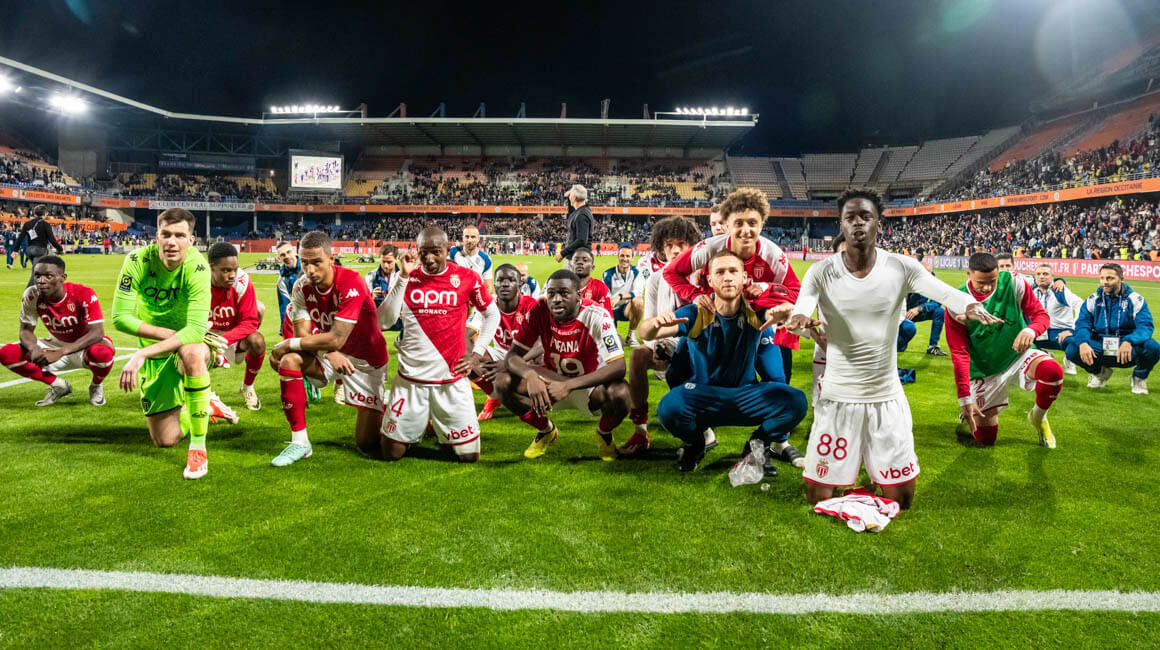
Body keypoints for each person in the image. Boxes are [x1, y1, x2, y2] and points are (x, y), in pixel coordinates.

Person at [779, 189, 999, 510]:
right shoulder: (821, 271)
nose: (858, 223)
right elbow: (803, 306)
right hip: (838, 398)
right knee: (817, 497)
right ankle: (856, 476)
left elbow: (943, 292)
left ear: (878, 223)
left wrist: (969, 304)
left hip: (886, 398)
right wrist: (799, 317)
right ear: (841, 224)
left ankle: (870, 474)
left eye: (865, 216)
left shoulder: (900, 267)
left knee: (903, 499)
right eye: (850, 217)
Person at [642, 250, 808, 472]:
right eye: (720, 272)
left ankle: (757, 444)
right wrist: (654, 324)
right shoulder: (697, 312)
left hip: (746, 396)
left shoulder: (755, 310)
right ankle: (696, 443)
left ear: (744, 277)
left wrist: (783, 315)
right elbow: (645, 332)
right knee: (669, 407)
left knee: (796, 401)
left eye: (733, 271)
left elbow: (773, 315)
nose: (727, 277)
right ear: (710, 280)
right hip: (705, 396)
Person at [378, 226, 500, 462]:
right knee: (390, 453)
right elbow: (383, 321)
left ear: (447, 249)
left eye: (436, 252)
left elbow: (492, 314)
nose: (429, 258)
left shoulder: (467, 278)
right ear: (417, 250)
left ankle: (431, 424)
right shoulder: (406, 277)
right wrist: (402, 277)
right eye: (424, 252)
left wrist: (476, 354)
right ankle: (416, 422)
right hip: (411, 381)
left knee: (469, 457)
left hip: (451, 381)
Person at [269, 231, 390, 466]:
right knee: (287, 361)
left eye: (317, 262)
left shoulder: (351, 282)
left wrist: (288, 343)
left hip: (366, 361)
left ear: (331, 259)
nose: (310, 270)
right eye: (305, 263)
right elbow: (302, 335)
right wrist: (328, 353)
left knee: (367, 443)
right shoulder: (301, 286)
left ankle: (391, 406)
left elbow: (336, 338)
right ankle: (300, 442)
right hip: (330, 354)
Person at [111, 208, 214, 480]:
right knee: (164, 440)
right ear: (156, 236)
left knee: (191, 352)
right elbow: (120, 318)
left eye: (180, 235)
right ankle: (203, 405)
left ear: (191, 240)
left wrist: (142, 352)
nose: (172, 242)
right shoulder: (137, 261)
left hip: (190, 344)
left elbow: (195, 331)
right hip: (159, 351)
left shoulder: (198, 267)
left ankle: (198, 449)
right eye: (166, 234)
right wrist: (165, 337)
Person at [664, 187, 801, 381]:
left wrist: (766, 288)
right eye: (738, 223)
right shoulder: (709, 248)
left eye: (752, 223)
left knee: (779, 381)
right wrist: (694, 295)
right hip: (713, 321)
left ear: (761, 225)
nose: (746, 230)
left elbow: (796, 292)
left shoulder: (773, 255)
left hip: (757, 323)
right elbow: (671, 272)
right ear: (727, 225)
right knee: (675, 375)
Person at [495, 269, 630, 461]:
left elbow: (619, 366)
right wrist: (531, 376)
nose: (556, 299)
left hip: (590, 385)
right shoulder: (540, 310)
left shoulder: (597, 315)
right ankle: (546, 431)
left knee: (622, 393)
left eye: (564, 293)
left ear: (579, 296)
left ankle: (604, 433)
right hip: (551, 380)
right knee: (502, 382)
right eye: (551, 294)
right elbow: (512, 357)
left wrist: (568, 385)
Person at [944, 253, 1061, 448]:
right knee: (986, 438)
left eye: (993, 281)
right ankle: (970, 418)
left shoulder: (1013, 282)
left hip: (1017, 355)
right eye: (981, 283)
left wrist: (1030, 330)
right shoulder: (956, 303)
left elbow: (1041, 315)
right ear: (968, 274)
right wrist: (964, 397)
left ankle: (1038, 418)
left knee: (1052, 371)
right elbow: (959, 353)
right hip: (984, 369)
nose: (988, 287)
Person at [622, 216, 705, 455]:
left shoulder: (703, 276)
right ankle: (640, 431)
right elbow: (648, 322)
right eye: (669, 245)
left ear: (692, 246)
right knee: (638, 355)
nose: (675, 250)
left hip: (700, 349)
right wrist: (657, 345)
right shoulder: (656, 280)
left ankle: (701, 428)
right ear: (661, 247)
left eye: (681, 244)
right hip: (667, 346)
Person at [0, 256, 115, 406]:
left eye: (48, 276)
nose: (41, 281)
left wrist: (62, 351)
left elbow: (97, 333)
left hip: (85, 346)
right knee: (7, 353)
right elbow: (26, 331)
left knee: (103, 354)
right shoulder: (31, 295)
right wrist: (34, 349)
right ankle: (58, 385)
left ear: (62, 278)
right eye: (37, 276)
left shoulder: (83, 293)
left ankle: (96, 385)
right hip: (56, 344)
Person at [1066, 262, 1158, 395]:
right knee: (1072, 348)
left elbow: (1145, 326)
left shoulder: (1135, 299)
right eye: (1102, 278)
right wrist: (1083, 343)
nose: (1105, 282)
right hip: (1100, 346)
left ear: (1121, 279)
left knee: (1153, 347)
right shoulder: (1093, 300)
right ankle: (1099, 373)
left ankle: (1139, 377)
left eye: (1110, 278)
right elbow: (1082, 324)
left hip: (1126, 348)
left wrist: (1129, 341)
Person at [467, 263, 540, 420]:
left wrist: (510, 363)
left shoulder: (532, 306)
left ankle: (536, 393)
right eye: (500, 280)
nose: (505, 284)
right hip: (500, 352)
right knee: (465, 353)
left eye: (511, 280)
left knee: (542, 356)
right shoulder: (487, 304)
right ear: (495, 284)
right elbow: (468, 332)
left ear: (520, 284)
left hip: (528, 357)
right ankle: (494, 396)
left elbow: (543, 344)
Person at [205, 242, 265, 413]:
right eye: (226, 270)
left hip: (231, 334)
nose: (232, 275)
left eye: (235, 269)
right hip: (205, 333)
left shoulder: (242, 281)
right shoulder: (198, 281)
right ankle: (193, 393)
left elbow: (250, 322)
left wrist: (221, 341)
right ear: (212, 268)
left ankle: (248, 387)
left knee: (257, 340)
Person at [1030, 263, 1083, 375]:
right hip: (1041, 331)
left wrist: (1074, 329)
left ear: (1052, 277)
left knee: (1074, 343)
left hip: (1061, 331)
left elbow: (1080, 304)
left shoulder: (1060, 291)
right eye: (1038, 274)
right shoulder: (1032, 292)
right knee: (1019, 340)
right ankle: (1043, 355)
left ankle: (1070, 360)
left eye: (1045, 274)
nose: (1041, 276)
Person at [902, 257, 948, 356]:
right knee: (900, 346)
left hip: (919, 312)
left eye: (930, 274)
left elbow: (936, 302)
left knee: (939, 311)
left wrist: (920, 308)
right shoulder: (906, 280)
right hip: (902, 313)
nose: (929, 277)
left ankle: (932, 346)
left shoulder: (933, 282)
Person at [603, 244, 642, 344]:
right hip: (611, 309)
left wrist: (619, 297)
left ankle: (630, 336)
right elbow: (604, 296)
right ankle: (615, 333)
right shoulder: (608, 274)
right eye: (622, 256)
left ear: (632, 258)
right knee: (615, 342)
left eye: (628, 256)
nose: (625, 259)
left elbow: (637, 292)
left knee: (638, 301)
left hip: (626, 309)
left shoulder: (637, 273)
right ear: (618, 257)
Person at [16, 205, 63, 287]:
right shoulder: (45, 224)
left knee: (42, 271)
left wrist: (15, 250)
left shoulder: (27, 224)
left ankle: (41, 290)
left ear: (35, 213)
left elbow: (20, 238)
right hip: (40, 251)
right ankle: (28, 291)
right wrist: (60, 249)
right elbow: (52, 240)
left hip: (29, 251)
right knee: (37, 273)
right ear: (45, 213)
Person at [449, 225, 494, 293]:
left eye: (473, 237)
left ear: (478, 238)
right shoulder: (453, 252)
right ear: (463, 238)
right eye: (467, 237)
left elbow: (488, 287)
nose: (469, 240)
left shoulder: (486, 259)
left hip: (475, 296)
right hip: (456, 295)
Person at [569, 247, 614, 315]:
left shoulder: (600, 287)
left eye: (585, 260)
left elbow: (607, 317)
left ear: (592, 268)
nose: (580, 262)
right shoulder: (562, 286)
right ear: (571, 266)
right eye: (576, 260)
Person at [557, 184, 593, 268]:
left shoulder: (581, 216)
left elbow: (581, 240)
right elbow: (572, 212)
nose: (570, 197)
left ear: (574, 198)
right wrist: (571, 194)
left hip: (577, 260)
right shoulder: (582, 211)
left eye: (571, 196)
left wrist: (562, 253)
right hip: (577, 258)